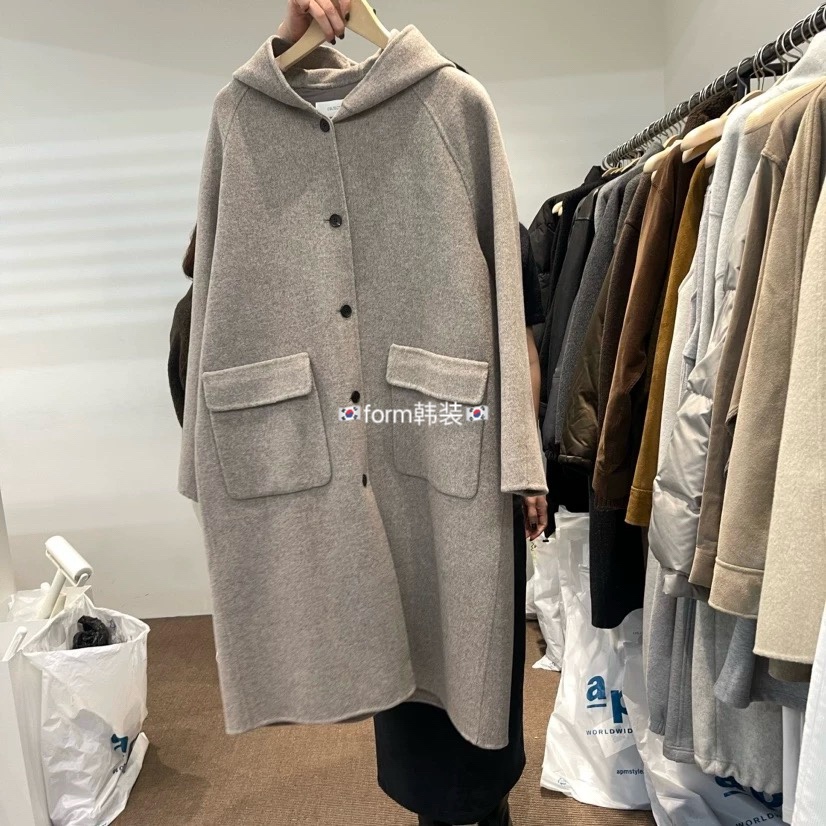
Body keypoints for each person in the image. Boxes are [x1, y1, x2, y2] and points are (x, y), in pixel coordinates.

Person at [171, 6, 549, 822]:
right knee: (386, 642)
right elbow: (210, 294)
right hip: (316, 442)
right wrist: (206, 449)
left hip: (441, 432)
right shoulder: (238, 117)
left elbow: (506, 287)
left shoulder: (454, 106)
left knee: (456, 642)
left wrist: (522, 458)